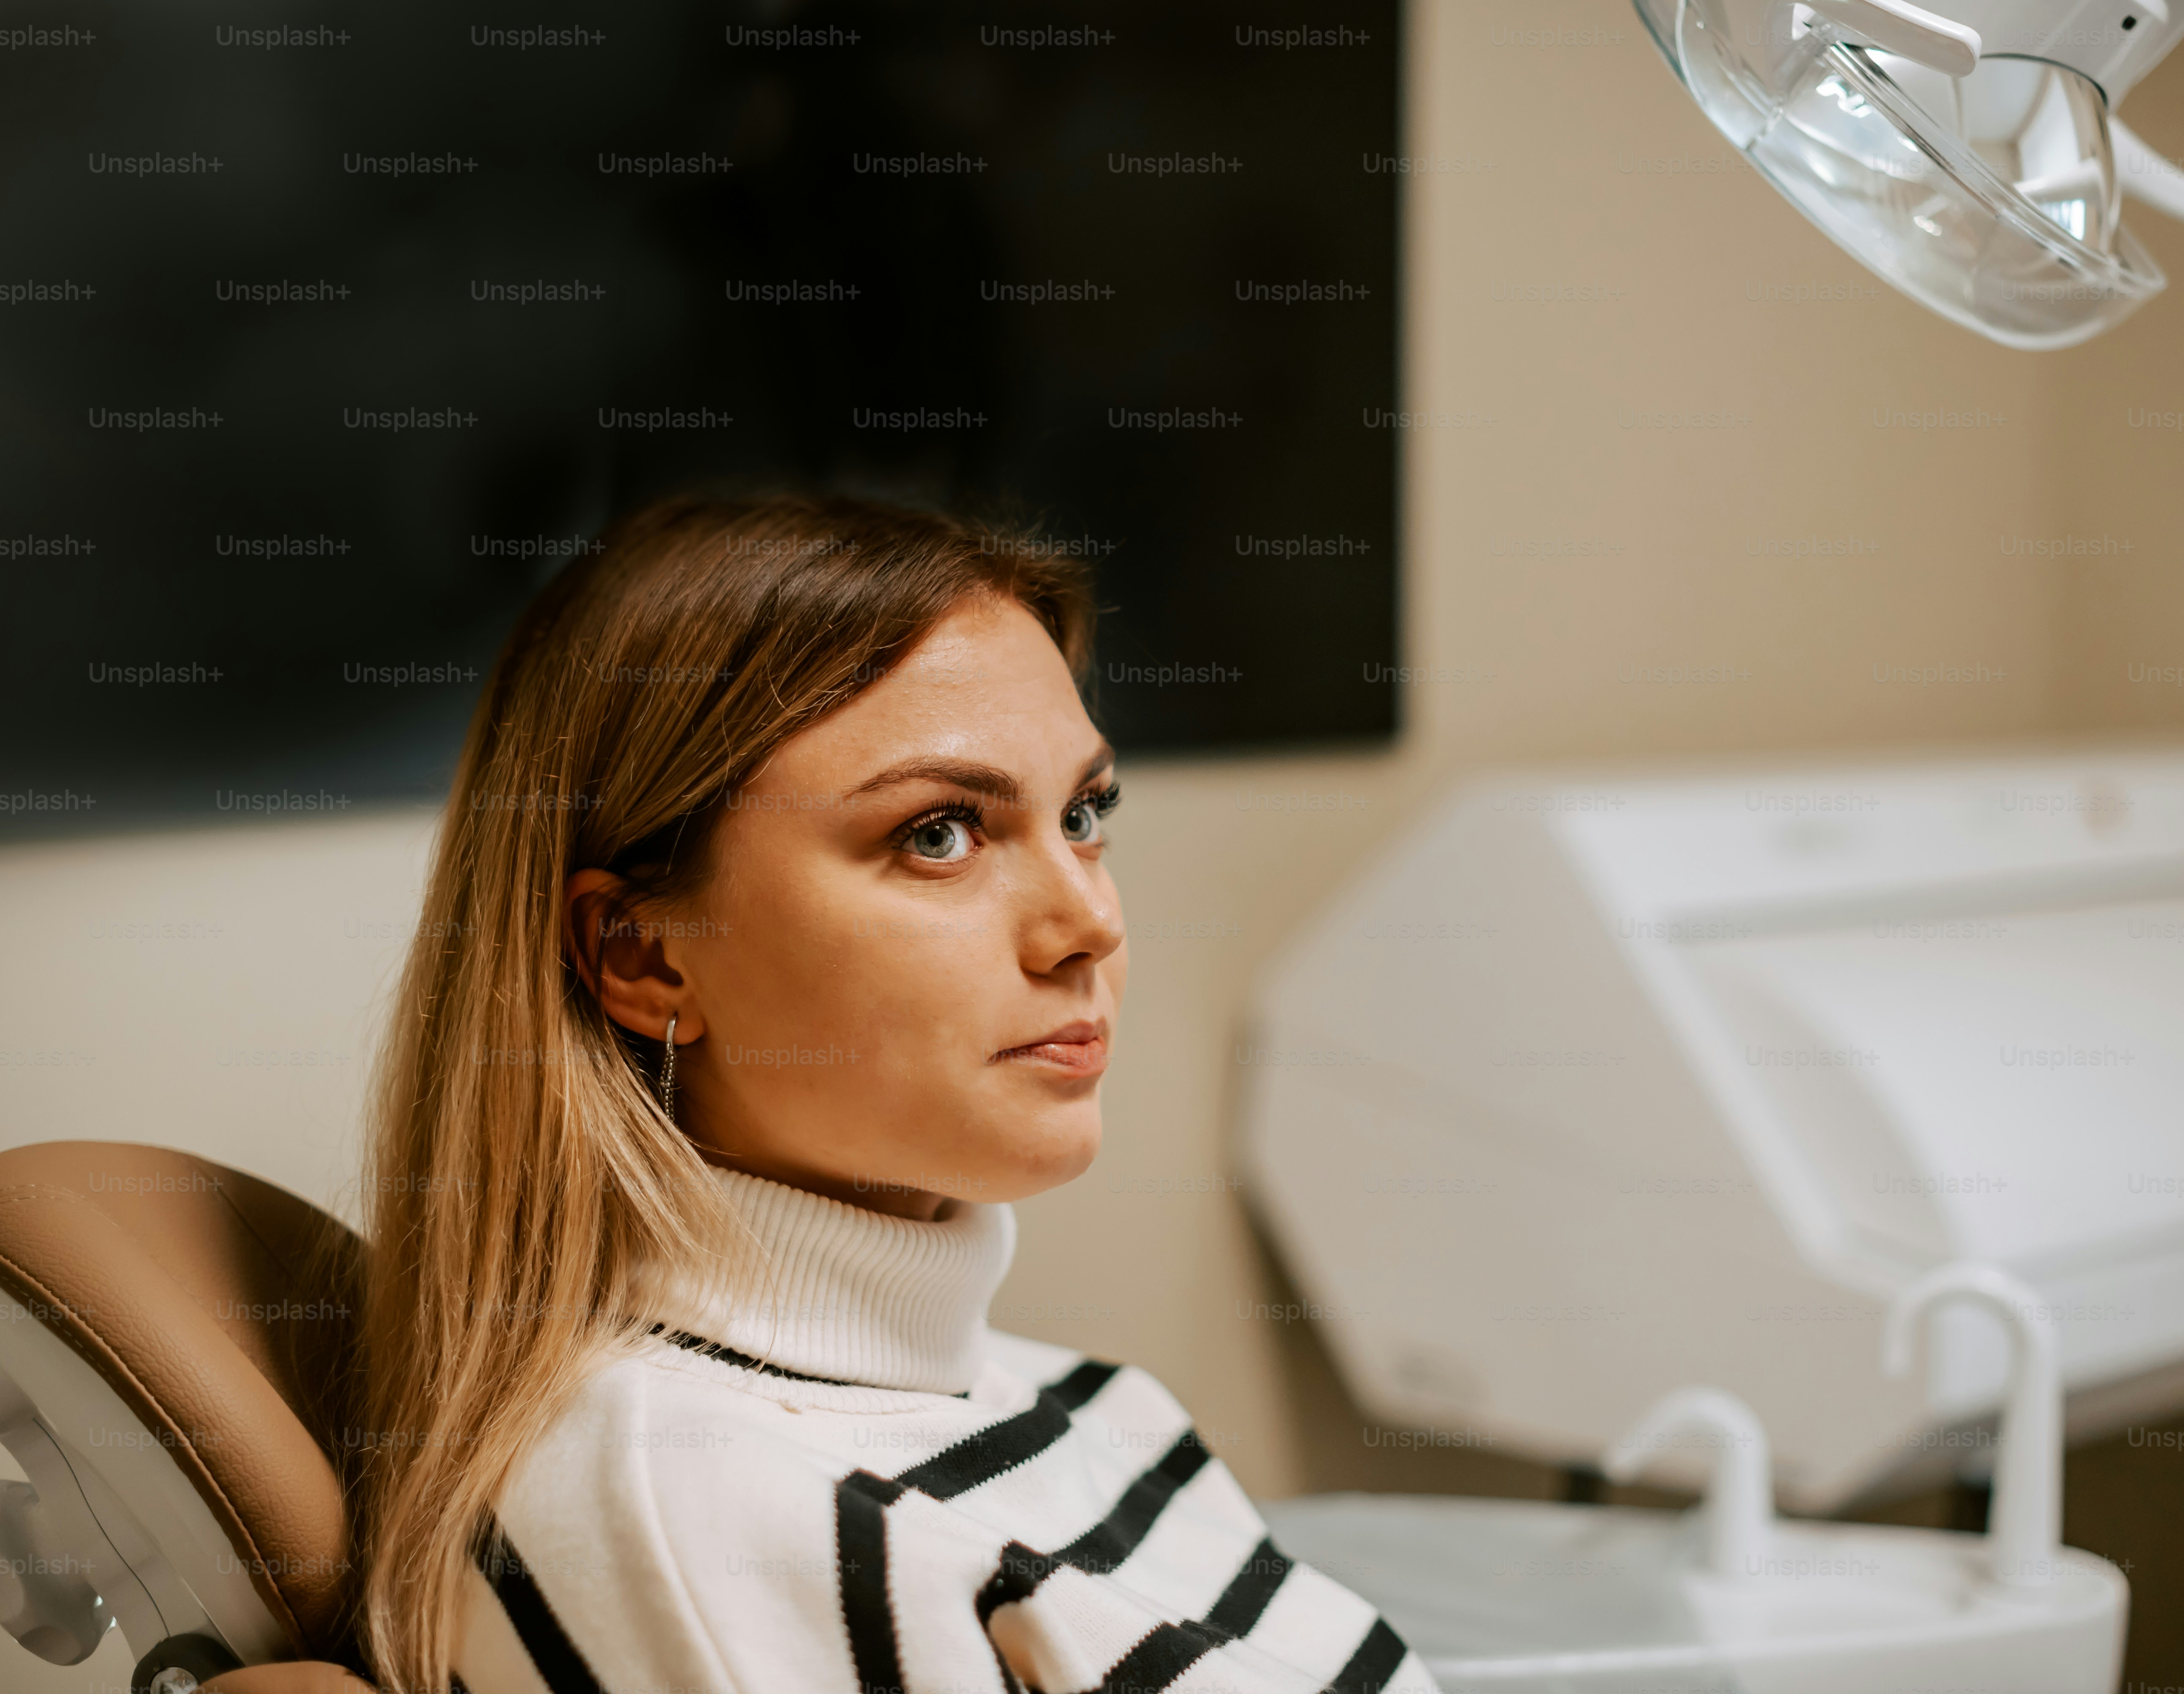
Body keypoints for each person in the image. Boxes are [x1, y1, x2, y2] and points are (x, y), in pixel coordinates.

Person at [352, 494, 1436, 1694]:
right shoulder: (688, 1508)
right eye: (939, 834)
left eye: (1084, 815)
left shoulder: (1095, 1407)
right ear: (643, 957)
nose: (1091, 921)